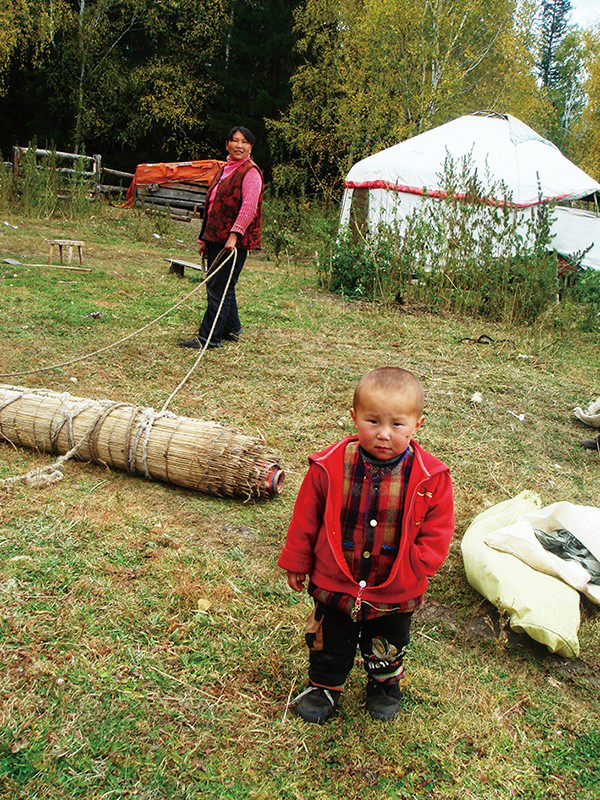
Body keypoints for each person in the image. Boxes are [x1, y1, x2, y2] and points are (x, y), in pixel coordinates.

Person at [278, 367, 454, 724]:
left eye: (397, 424)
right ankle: (324, 686)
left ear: (418, 424)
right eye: (372, 421)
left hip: (395, 586)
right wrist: (297, 561)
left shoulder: (431, 477)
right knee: (330, 637)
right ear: (354, 417)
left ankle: (384, 686)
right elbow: (306, 518)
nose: (384, 434)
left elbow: (439, 528)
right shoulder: (328, 467)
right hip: (336, 580)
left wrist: (419, 564)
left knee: (388, 641)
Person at [179, 126, 263, 350]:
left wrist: (234, 235)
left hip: (233, 242)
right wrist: (204, 239)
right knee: (224, 285)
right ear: (227, 144)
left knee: (218, 288)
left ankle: (208, 338)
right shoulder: (223, 170)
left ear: (250, 147)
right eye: (234, 140)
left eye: (244, 142)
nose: (239, 145)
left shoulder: (251, 173)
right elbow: (212, 206)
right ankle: (232, 329)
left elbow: (249, 208)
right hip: (215, 238)